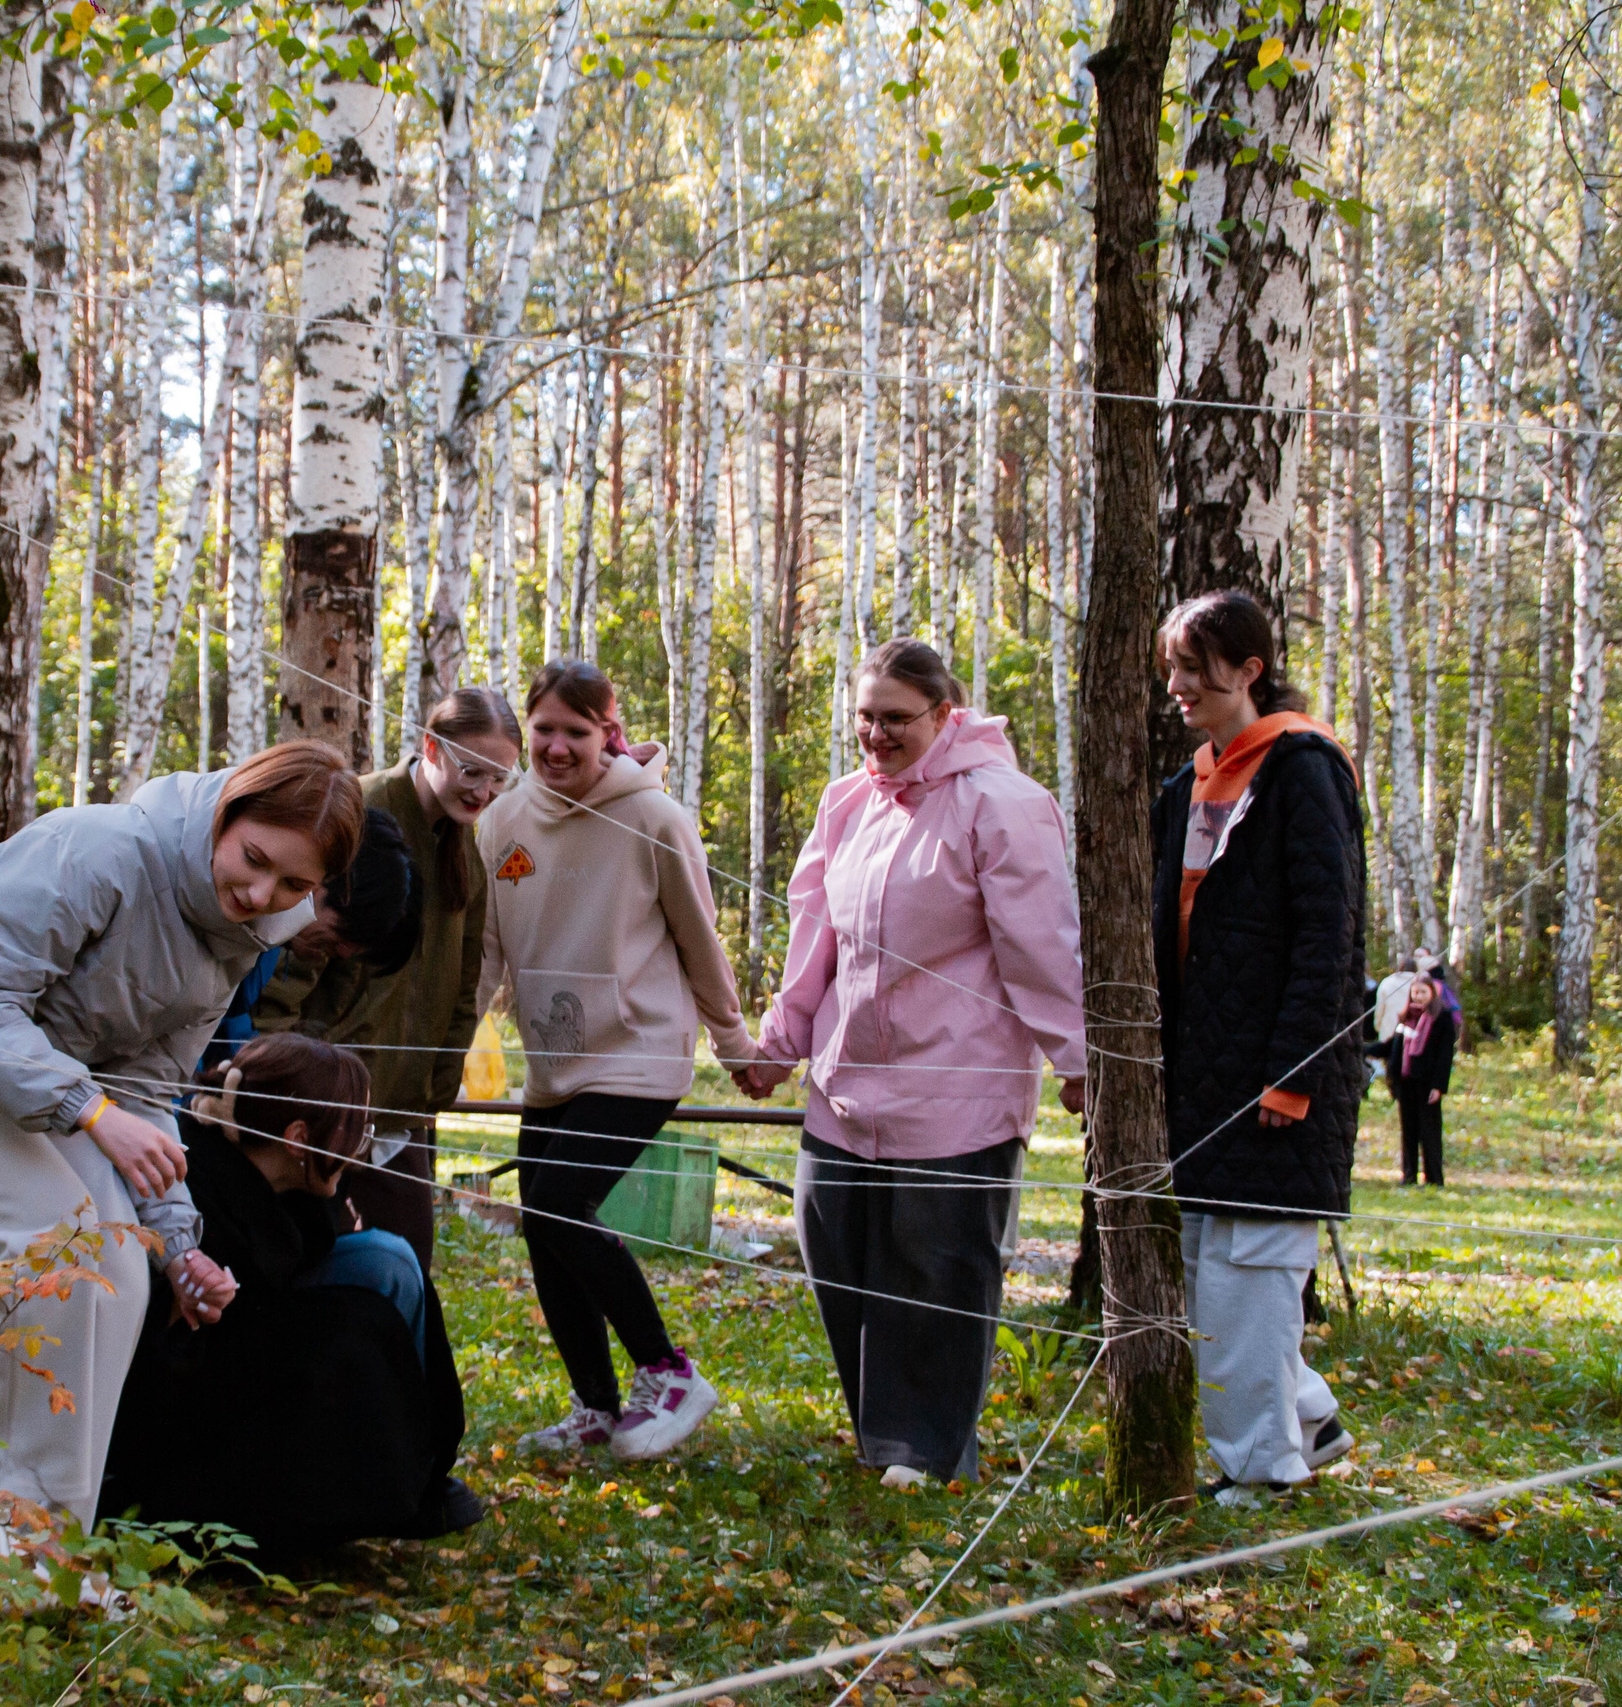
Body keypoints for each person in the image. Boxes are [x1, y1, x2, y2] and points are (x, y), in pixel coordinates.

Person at [0, 742, 365, 1594]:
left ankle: (41, 1543)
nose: (261, 895)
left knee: (117, 1264)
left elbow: (148, 1085)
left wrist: (178, 1245)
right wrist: (94, 1115)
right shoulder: (102, 849)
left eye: (293, 886)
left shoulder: (241, 933)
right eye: (255, 860)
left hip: (51, 1076)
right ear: (226, 812)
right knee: (55, 1246)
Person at [739, 638, 1087, 1488]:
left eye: (896, 718)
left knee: (936, 1272)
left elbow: (1040, 946)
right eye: (865, 717)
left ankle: (928, 1454)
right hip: (845, 1088)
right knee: (839, 1257)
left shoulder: (1004, 803)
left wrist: (1079, 1059)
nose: (876, 734)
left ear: (944, 713)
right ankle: (882, 1437)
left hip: (956, 1094)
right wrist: (780, 1044)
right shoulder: (848, 802)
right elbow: (813, 936)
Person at [477, 660, 755, 1461]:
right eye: (545, 731)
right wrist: (450, 1045)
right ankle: (595, 1405)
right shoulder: (502, 821)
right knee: (541, 1223)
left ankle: (669, 1372)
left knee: (561, 1198)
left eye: (577, 731)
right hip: (554, 1059)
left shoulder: (654, 818)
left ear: (611, 732)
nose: (558, 747)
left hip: (640, 1048)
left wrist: (734, 1043)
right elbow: (491, 951)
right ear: (526, 730)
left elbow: (700, 939)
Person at [100, 1034, 481, 1557]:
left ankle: (420, 1468)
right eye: (354, 1130)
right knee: (354, 1323)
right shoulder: (197, 1187)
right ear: (299, 1136)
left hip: (260, 1320)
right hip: (195, 1391)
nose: (360, 1147)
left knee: (387, 1262)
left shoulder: (297, 1181)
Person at [1151, 591, 1368, 1507]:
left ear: (1249, 669)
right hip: (1199, 1083)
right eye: (1172, 669)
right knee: (1212, 1275)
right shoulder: (1187, 785)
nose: (1179, 688)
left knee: (1249, 1277)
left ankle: (1264, 1469)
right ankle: (1308, 1418)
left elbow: (1330, 937)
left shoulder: (1302, 769)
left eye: (1195, 669)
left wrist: (1293, 1074)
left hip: (1277, 1086)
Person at [256, 686, 526, 1269]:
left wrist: (436, 1082)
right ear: (430, 746)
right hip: (324, 1097)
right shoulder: (362, 813)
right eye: (471, 770)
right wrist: (276, 1064)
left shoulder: (466, 852)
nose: (482, 791)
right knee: (315, 1266)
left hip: (400, 1114)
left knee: (405, 1267)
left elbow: (464, 984)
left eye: (499, 779)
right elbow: (295, 954)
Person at [203, 806, 422, 1070]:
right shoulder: (235, 916)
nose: (343, 952)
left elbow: (227, 1023)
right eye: (346, 933)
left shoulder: (270, 941)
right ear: (321, 881)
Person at [1383, 966, 1458, 1186]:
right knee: (1409, 1131)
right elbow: (1392, 1047)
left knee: (1429, 1131)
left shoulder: (1442, 1018)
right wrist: (1364, 1048)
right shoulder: (1406, 1017)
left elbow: (1445, 1055)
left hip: (1428, 1083)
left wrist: (1439, 1086)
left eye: (1423, 992)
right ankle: (1409, 1175)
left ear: (1432, 993)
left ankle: (1434, 1178)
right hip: (1406, 1082)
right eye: (1415, 992)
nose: (1419, 996)